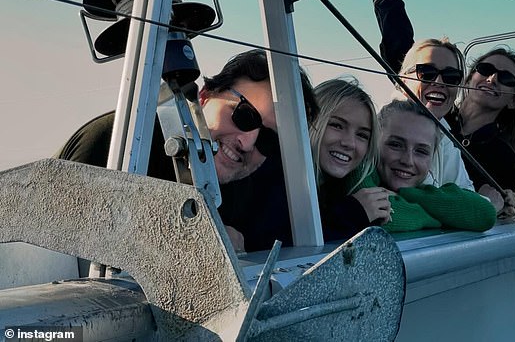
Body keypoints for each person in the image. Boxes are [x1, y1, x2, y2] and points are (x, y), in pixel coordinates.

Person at [54, 49, 319, 254]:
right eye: (244, 115)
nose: (248, 143)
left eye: (270, 141)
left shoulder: (247, 187)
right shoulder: (116, 144)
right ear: (204, 96)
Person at [367, 0, 515, 213]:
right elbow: (403, 52)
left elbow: (474, 205)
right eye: (485, 69)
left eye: (505, 78)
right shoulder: (429, 115)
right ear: (470, 78)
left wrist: (497, 204)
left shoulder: (502, 155)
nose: (492, 78)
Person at [356, 99, 497, 233]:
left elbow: (486, 214)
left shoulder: (426, 187)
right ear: (374, 142)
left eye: (421, 151)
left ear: (432, 157)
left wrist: (407, 195)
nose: (408, 161)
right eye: (396, 145)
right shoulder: (358, 173)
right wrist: (442, 218)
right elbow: (387, 219)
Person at [309, 77, 391, 242]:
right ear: (309, 120)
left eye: (362, 135)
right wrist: (354, 212)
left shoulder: (347, 184)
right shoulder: (276, 179)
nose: (349, 143)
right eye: (337, 125)